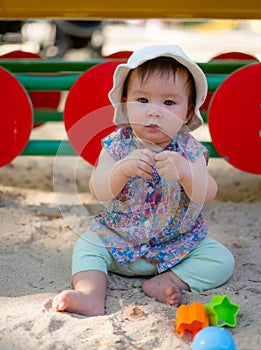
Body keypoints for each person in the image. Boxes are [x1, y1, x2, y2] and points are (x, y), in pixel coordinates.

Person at [52, 45, 235, 316]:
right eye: (143, 100)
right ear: (125, 103)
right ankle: (90, 294)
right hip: (119, 240)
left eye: (169, 103)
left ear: (187, 113)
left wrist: (186, 171)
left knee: (221, 259)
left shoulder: (189, 150)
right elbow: (98, 189)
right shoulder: (116, 145)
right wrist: (120, 171)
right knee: (87, 244)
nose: (154, 112)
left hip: (178, 245)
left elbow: (207, 193)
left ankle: (169, 281)